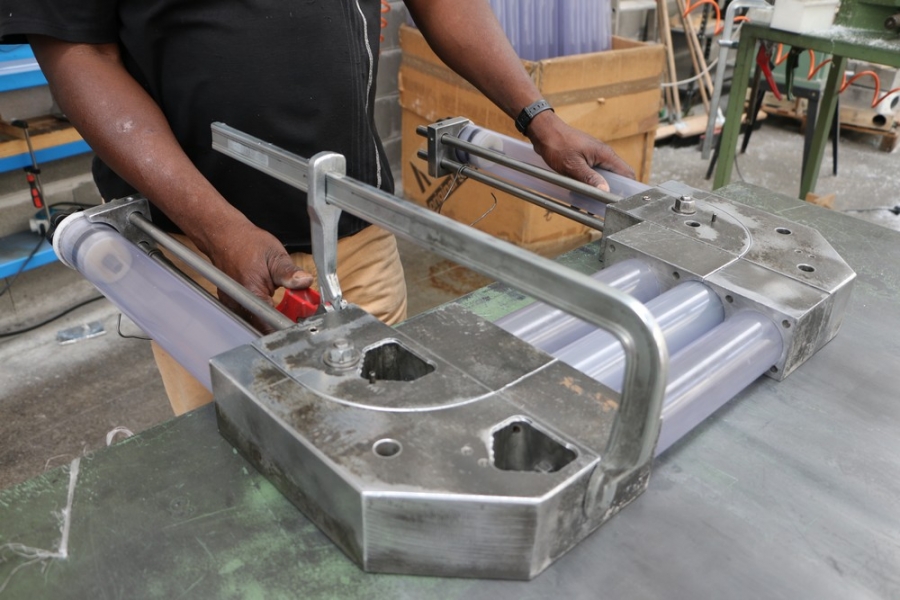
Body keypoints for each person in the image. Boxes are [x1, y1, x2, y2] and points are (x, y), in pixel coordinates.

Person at [0, 0, 635, 415]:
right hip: (196, 257)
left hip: (352, 230)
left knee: (385, 420)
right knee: (234, 441)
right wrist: (218, 229)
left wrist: (538, 117)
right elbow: (78, 49)